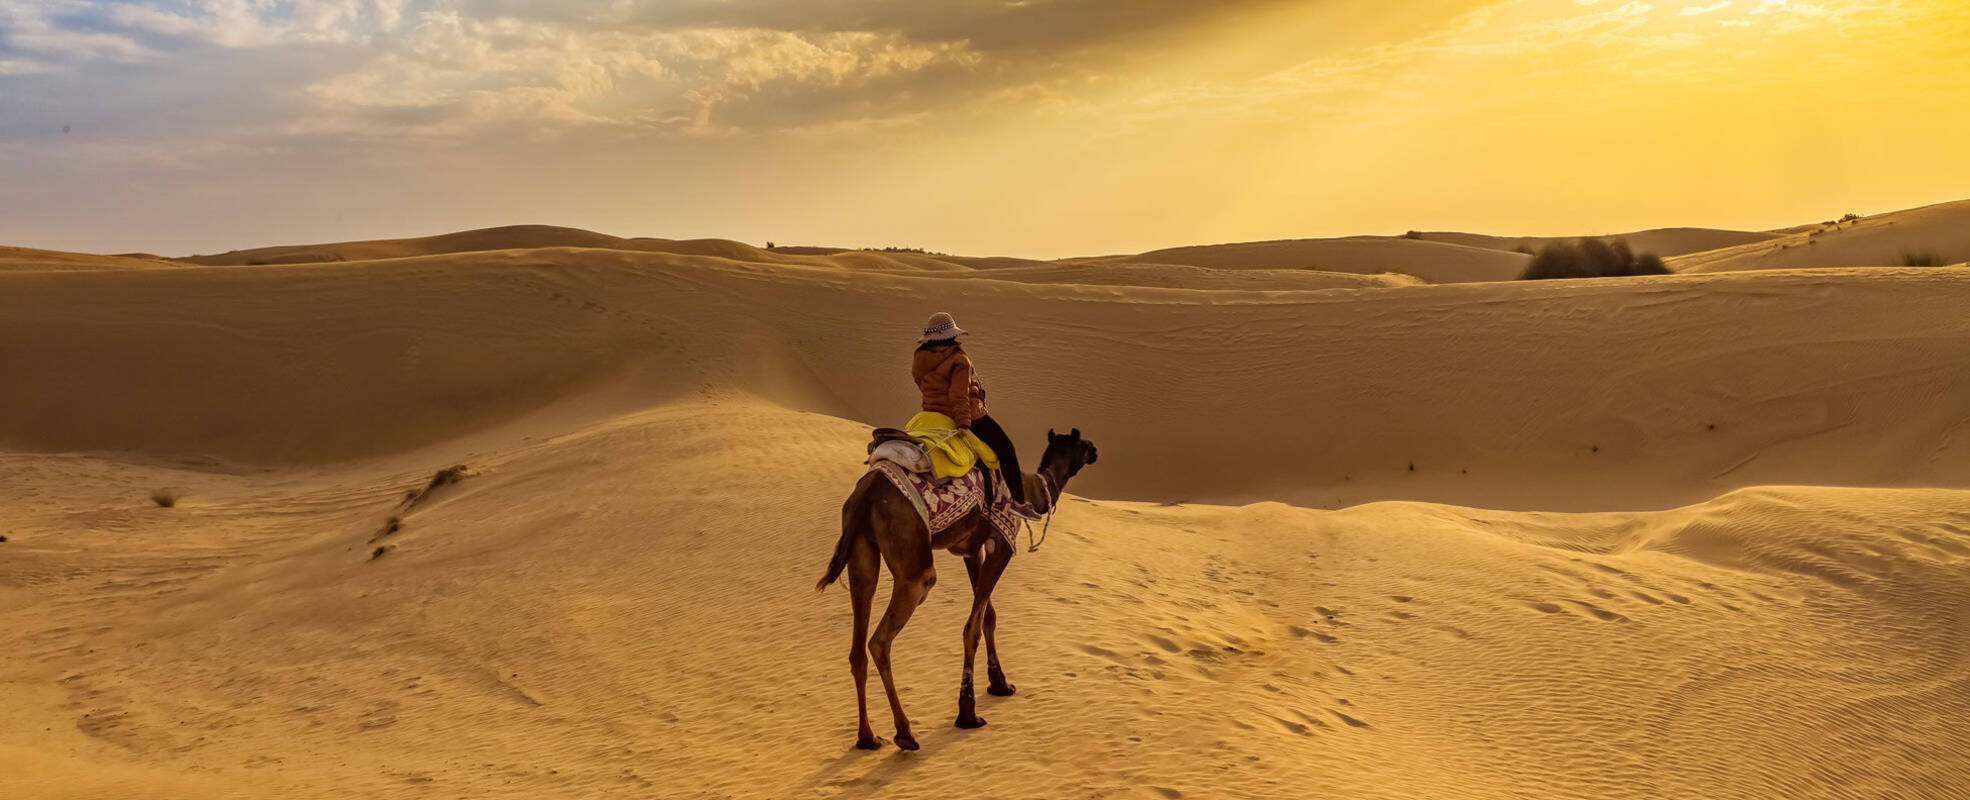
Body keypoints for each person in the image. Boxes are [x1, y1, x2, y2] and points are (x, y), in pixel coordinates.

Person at [911, 312, 1043, 521]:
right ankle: (1018, 502)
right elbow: (958, 395)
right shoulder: (959, 360)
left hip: (930, 412)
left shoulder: (920, 357)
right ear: (951, 335)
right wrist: (964, 423)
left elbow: (920, 382)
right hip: (967, 415)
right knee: (1006, 449)